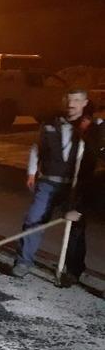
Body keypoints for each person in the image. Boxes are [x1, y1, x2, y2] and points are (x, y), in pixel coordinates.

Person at [13, 89, 104, 285]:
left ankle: (72, 271)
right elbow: (37, 148)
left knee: (75, 228)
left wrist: (92, 131)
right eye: (69, 100)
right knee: (34, 219)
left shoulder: (93, 126)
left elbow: (101, 146)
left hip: (76, 185)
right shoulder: (50, 124)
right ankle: (23, 262)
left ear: (85, 102)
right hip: (48, 181)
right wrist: (31, 171)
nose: (72, 104)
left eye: (77, 100)